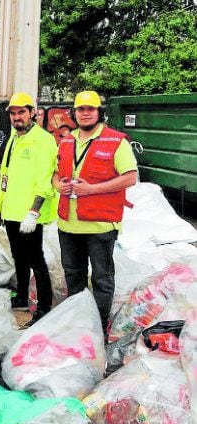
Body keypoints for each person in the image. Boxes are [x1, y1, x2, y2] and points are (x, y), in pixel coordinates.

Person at [53, 91, 137, 336]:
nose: (86, 113)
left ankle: (98, 326)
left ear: (99, 112)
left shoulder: (115, 141)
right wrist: (58, 184)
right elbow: (55, 174)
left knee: (101, 278)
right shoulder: (66, 141)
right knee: (74, 276)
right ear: (74, 113)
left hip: (100, 225)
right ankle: (77, 324)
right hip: (69, 224)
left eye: (91, 109)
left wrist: (91, 189)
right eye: (81, 109)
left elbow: (130, 177)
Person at [0, 92, 58, 327]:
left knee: (35, 260)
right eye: (13, 113)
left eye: (22, 112)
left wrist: (34, 212)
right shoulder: (13, 139)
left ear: (33, 113)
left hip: (29, 215)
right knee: (18, 257)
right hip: (11, 211)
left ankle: (44, 307)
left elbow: (46, 178)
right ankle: (21, 296)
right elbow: (5, 177)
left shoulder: (44, 140)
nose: (17, 117)